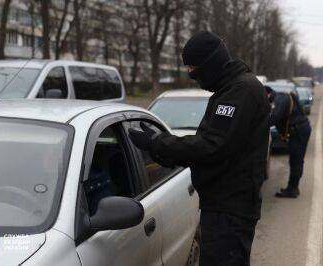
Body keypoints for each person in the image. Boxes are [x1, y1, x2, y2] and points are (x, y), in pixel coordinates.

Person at [128, 31, 270, 266]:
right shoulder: (232, 88)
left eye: (194, 69)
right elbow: (211, 144)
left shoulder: (239, 92)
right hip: (226, 205)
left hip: (229, 210)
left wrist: (157, 143)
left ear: (211, 64)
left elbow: (210, 147)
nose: (193, 77)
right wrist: (163, 150)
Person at [265, 86, 311, 198]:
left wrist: (259, 123)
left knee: (296, 160)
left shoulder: (279, 99)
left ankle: (292, 189)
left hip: (298, 131)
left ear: (268, 94)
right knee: (296, 160)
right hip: (300, 129)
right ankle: (293, 187)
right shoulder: (281, 96)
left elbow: (275, 117)